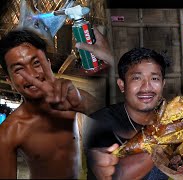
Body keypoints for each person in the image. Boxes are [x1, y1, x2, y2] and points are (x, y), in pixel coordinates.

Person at [81, 45, 183, 180]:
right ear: (122, 85)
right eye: (137, 78)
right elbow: (119, 175)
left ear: (163, 84)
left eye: (154, 78)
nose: (147, 87)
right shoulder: (99, 122)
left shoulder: (171, 114)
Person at [0, 28, 109, 179]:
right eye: (19, 69)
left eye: (37, 63)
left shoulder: (76, 99)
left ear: (48, 64)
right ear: (9, 80)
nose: (32, 75)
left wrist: (85, 105)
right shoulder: (10, 131)